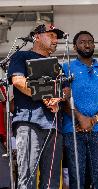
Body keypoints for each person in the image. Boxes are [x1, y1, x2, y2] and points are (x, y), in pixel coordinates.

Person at [7, 23, 64, 189]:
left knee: (51, 181)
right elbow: (18, 81)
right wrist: (45, 96)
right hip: (29, 122)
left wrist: (58, 99)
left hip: (53, 126)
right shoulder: (21, 56)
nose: (55, 40)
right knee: (28, 176)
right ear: (36, 36)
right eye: (51, 35)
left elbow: (64, 89)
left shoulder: (57, 65)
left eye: (56, 37)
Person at [62, 31, 98, 189]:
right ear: (74, 47)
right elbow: (63, 99)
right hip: (72, 130)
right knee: (77, 177)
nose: (87, 44)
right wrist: (80, 118)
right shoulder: (65, 68)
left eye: (90, 41)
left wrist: (93, 120)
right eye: (82, 42)